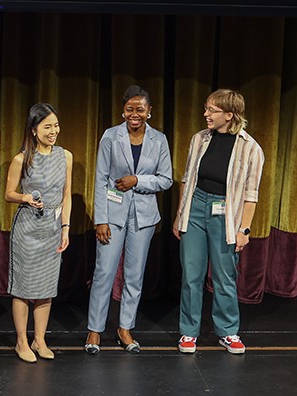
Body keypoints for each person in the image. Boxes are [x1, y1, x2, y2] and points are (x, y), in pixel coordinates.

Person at [173, 89, 264, 355]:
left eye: (211, 110)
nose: (206, 115)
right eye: (206, 109)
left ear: (229, 114)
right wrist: (180, 214)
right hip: (196, 209)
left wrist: (243, 229)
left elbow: (251, 194)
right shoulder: (199, 139)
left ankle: (228, 331)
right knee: (191, 275)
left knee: (225, 275)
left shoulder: (250, 148)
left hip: (227, 214)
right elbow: (188, 179)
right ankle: (189, 332)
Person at [85, 85, 173, 354]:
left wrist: (138, 180)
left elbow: (166, 179)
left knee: (134, 276)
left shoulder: (159, 140)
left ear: (149, 112)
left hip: (143, 216)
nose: (135, 114)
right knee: (104, 273)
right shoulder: (111, 137)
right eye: (130, 109)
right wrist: (100, 219)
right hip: (112, 215)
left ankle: (125, 327)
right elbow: (100, 179)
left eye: (140, 109)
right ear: (123, 111)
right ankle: (94, 330)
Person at [4, 103, 72, 363]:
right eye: (47, 127)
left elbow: (67, 196)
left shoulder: (65, 156)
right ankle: (21, 341)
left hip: (52, 228)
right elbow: (9, 194)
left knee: (46, 287)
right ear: (33, 130)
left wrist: (66, 227)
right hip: (27, 228)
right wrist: (25, 197)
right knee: (22, 288)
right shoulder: (21, 159)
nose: (53, 131)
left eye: (55, 125)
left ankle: (39, 339)